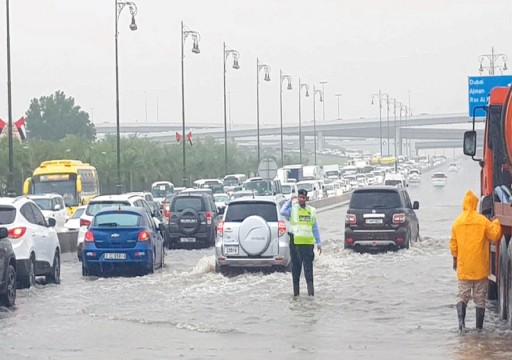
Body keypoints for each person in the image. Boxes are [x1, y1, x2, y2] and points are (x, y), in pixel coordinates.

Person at [449, 190, 502, 332]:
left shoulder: (457, 222)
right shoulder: (482, 221)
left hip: (464, 268)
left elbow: (453, 244)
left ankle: (461, 325)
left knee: (462, 296)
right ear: (475, 204)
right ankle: (479, 329)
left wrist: (455, 259)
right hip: (480, 268)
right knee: (480, 299)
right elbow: (495, 235)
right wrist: (497, 221)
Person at [281, 188, 322, 297]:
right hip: (295, 245)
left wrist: (319, 242)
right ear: (298, 198)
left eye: (303, 198)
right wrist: (290, 201)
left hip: (308, 245)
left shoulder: (311, 211)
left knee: (309, 273)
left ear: (306, 199)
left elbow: (315, 227)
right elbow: (282, 211)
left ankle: (311, 296)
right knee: (296, 272)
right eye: (299, 197)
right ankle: (296, 296)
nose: (301, 199)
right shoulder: (293, 210)